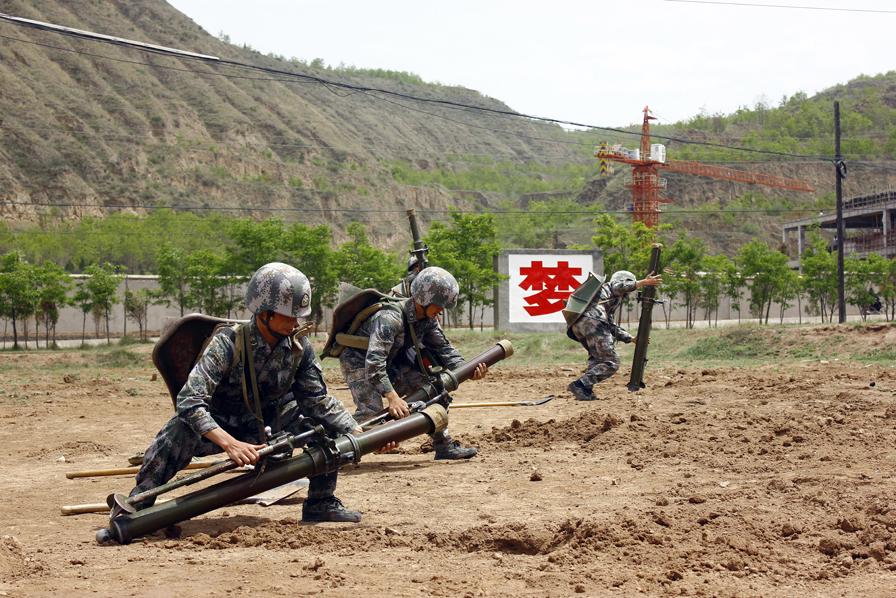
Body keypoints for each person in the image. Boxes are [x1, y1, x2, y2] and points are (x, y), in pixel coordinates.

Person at [130, 262, 363, 523]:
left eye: (298, 315)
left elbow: (317, 401)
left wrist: (356, 430)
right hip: (223, 426)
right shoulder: (229, 343)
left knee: (325, 425)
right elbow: (190, 400)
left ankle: (320, 502)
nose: (295, 322)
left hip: (270, 425)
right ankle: (138, 504)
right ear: (263, 313)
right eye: (288, 315)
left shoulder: (300, 348)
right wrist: (230, 444)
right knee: (177, 430)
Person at [340, 266, 486, 459]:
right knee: (371, 415)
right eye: (439, 305)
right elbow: (374, 364)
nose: (441, 311)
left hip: (390, 360)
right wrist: (392, 397)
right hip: (359, 360)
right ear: (424, 299)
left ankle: (443, 446)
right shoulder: (389, 318)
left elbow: (445, 351)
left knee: (433, 390)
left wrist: (469, 370)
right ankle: (335, 446)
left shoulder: (428, 319)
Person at [566, 269, 662, 401]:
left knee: (597, 359)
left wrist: (631, 338)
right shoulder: (611, 287)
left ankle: (585, 389)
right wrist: (643, 282)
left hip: (579, 324)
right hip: (594, 322)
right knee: (612, 362)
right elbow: (620, 286)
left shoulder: (604, 298)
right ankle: (580, 385)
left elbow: (610, 326)